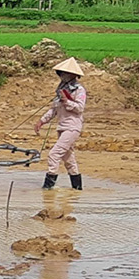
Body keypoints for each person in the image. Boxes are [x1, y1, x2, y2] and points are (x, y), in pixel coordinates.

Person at [35, 57, 87, 189]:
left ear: (73, 75)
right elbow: (54, 109)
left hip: (72, 127)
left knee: (54, 154)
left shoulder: (79, 90)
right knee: (68, 159)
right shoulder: (61, 89)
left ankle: (48, 187)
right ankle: (77, 188)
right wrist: (42, 121)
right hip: (62, 127)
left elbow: (80, 108)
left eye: (65, 73)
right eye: (61, 73)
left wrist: (67, 102)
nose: (62, 76)